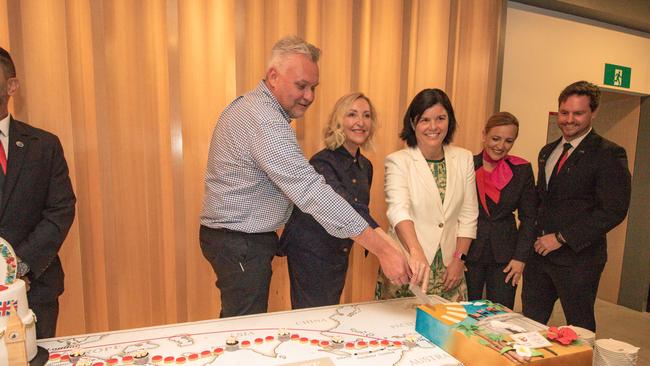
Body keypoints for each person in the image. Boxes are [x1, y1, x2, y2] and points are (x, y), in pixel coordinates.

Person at [200, 36, 413, 318]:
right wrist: (383, 250)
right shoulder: (265, 121)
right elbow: (311, 191)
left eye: (313, 87)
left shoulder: (255, 109)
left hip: (240, 239)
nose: (309, 96)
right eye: (301, 86)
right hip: (240, 241)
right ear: (273, 77)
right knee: (243, 328)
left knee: (242, 323)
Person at [522, 81, 631, 331]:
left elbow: (613, 210)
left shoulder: (609, 154)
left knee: (579, 328)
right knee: (529, 323)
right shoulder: (547, 151)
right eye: (564, 112)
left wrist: (561, 238)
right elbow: (543, 202)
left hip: (579, 260)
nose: (569, 119)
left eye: (578, 113)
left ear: (593, 113)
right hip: (539, 257)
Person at [279, 92, 382, 309]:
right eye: (352, 114)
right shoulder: (322, 162)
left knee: (329, 311)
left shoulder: (366, 166)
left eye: (366, 115)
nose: (360, 122)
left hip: (339, 251)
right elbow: (351, 210)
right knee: (310, 316)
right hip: (310, 251)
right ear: (339, 121)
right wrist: (387, 248)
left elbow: (360, 209)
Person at [0, 47, 76, 338]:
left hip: (36, 289)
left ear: (11, 86)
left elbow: (61, 209)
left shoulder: (43, 146)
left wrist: (18, 267)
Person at [376, 88, 478, 302]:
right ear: (413, 124)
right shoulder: (398, 161)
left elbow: (468, 215)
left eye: (440, 118)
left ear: (449, 121)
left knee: (449, 332)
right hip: (408, 264)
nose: (433, 127)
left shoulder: (464, 158)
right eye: (425, 120)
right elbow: (398, 210)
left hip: (450, 268)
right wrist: (416, 251)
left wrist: (460, 260)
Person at [465, 112, 537, 310]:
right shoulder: (466, 164)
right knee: (464, 312)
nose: (500, 146)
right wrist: (456, 256)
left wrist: (521, 257)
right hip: (469, 251)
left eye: (508, 141)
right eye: (495, 138)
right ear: (484, 135)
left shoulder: (522, 170)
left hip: (506, 255)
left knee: (501, 315)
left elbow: (529, 217)